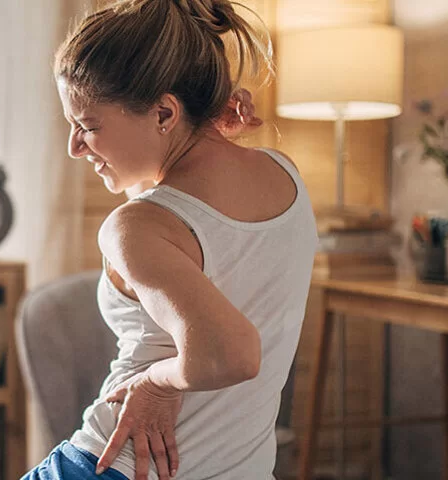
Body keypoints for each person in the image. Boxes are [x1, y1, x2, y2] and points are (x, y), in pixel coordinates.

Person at [22, 0, 319, 479]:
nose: (75, 147)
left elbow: (233, 353)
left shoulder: (135, 227)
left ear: (164, 112)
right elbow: (189, 207)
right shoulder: (287, 178)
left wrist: (156, 384)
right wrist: (202, 127)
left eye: (88, 126)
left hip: (115, 467)